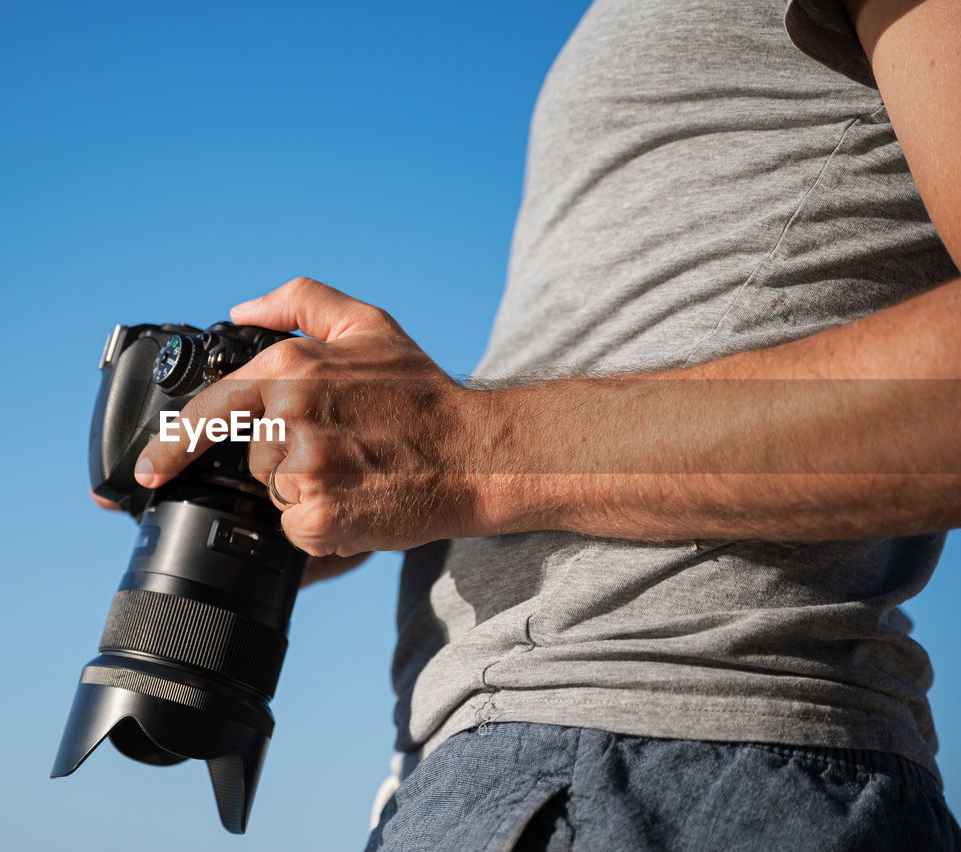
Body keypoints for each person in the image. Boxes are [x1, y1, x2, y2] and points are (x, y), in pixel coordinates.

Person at [124, 0, 961, 847]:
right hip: (545, 766)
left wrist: (466, 451)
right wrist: (345, 485)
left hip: (658, 758)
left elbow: (481, 452)